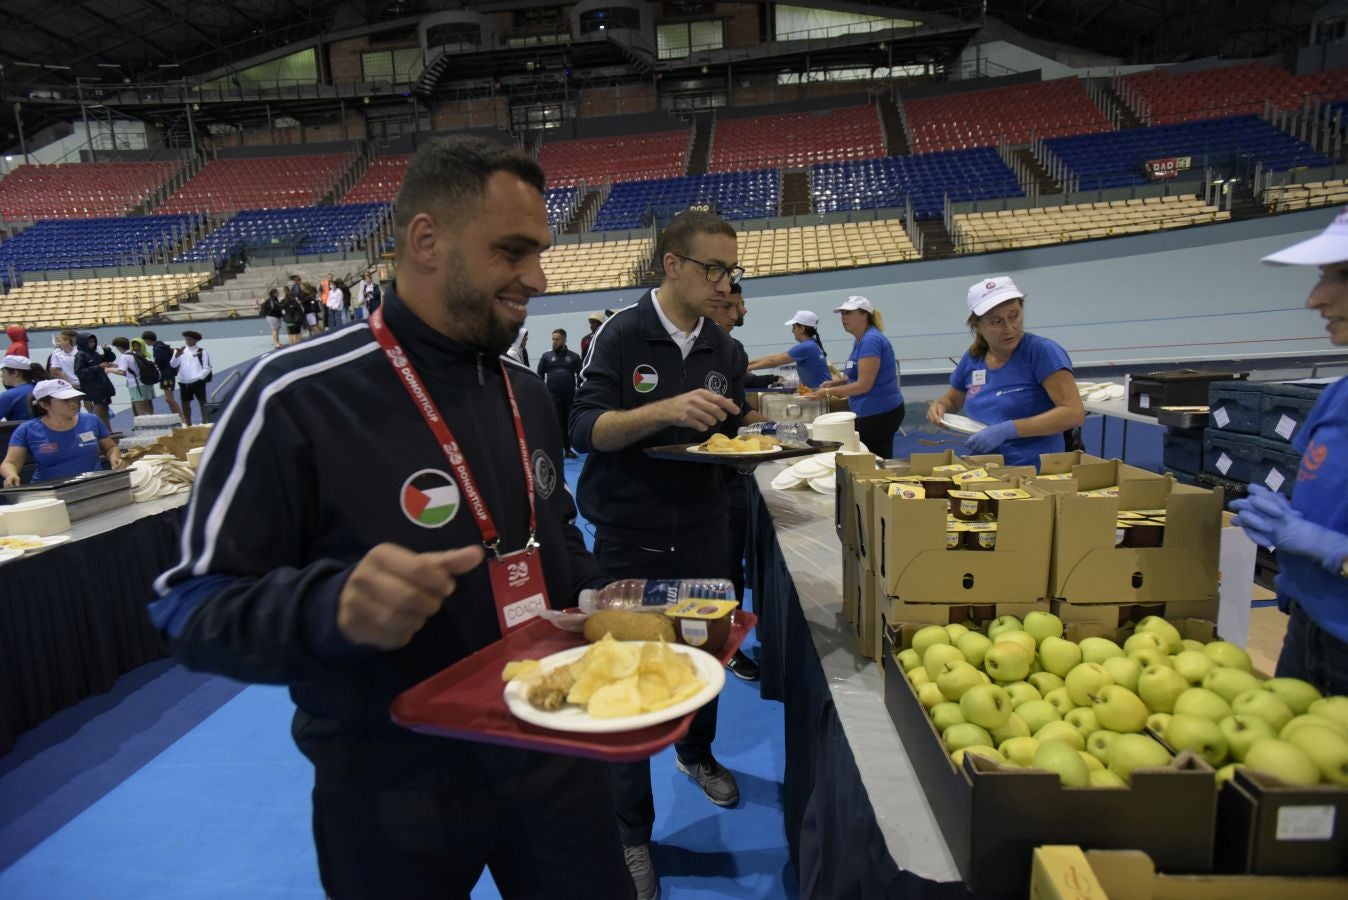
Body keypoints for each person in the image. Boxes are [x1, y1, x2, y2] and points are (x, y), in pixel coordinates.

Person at [146, 136, 632, 900]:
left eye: (539, 251)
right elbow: (188, 606)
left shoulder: (526, 391)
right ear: (427, 240)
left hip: (553, 756)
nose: (537, 277)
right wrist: (331, 607)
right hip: (391, 788)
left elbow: (553, 535)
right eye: (513, 251)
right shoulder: (293, 397)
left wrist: (598, 591)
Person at [571, 210, 748, 900]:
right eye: (712, 268)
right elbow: (585, 430)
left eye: (731, 271)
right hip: (630, 538)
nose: (723, 283)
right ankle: (630, 834)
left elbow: (731, 434)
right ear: (671, 265)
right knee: (627, 685)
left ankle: (697, 755)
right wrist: (663, 412)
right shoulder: (619, 336)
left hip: (705, 531)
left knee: (704, 665)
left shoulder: (725, 349)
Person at [1230, 211, 1348, 695]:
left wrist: (1324, 547)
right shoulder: (1337, 397)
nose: (1314, 298)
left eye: (1340, 276)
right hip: (1308, 626)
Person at [926, 276, 1083, 467]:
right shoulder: (974, 358)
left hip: (1036, 470)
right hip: (985, 466)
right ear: (977, 326)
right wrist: (939, 406)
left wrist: (1009, 429)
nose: (1009, 328)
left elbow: (1073, 413)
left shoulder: (1042, 352)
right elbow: (952, 400)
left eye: (1014, 316)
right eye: (996, 322)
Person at [705, 284, 765, 684]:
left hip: (731, 477)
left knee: (729, 567)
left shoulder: (732, 352)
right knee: (710, 568)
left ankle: (727, 643)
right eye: (734, 304)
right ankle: (715, 643)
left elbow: (738, 410)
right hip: (698, 480)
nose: (740, 309)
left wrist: (764, 424)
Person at [808, 296, 905, 457]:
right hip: (870, 411)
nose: (843, 318)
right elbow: (858, 374)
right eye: (842, 314)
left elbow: (863, 385)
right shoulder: (861, 340)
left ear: (864, 315)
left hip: (878, 413)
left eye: (848, 313)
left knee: (874, 459)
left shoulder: (871, 341)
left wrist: (827, 393)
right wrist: (835, 383)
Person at [2, 379, 123, 486]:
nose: (73, 403)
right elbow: (10, 462)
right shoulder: (27, 430)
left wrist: (115, 458)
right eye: (65, 400)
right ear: (44, 404)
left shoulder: (92, 420)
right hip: (50, 491)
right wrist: (11, 474)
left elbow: (110, 447)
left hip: (93, 484)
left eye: (74, 398)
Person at [746, 310, 831, 389]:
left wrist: (747, 367)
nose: (792, 331)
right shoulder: (812, 344)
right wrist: (746, 364)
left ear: (802, 329)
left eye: (794, 327)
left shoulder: (806, 347)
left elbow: (773, 361)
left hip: (820, 393)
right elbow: (773, 357)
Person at [537, 328, 582, 458]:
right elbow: (539, 375)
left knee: (568, 424)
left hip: (569, 397)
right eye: (553, 339)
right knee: (556, 424)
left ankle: (568, 449)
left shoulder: (574, 357)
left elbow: (580, 376)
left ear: (564, 340)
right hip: (553, 397)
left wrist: (580, 394)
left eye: (557, 339)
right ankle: (554, 450)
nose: (555, 341)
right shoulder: (546, 357)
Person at [73, 331, 117, 430]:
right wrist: (98, 367)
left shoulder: (93, 353)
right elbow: (79, 372)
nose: (92, 344)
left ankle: (107, 430)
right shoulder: (80, 355)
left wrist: (107, 351)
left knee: (104, 408)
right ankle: (100, 431)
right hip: (93, 387)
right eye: (90, 342)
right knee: (100, 409)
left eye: (93, 341)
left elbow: (108, 359)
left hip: (102, 386)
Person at [173, 330, 212, 426]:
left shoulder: (201, 352)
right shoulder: (180, 350)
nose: (188, 341)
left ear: (195, 340)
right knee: (185, 404)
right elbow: (173, 365)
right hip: (184, 382)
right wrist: (176, 356)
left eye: (190, 339)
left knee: (202, 402)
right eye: (186, 339)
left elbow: (207, 367)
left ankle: (205, 422)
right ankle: (188, 423)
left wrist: (198, 377)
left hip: (197, 381)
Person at [143, 331, 183, 419]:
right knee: (168, 399)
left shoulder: (158, 348)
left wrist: (149, 364)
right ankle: (177, 418)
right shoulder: (161, 346)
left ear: (147, 340)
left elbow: (158, 363)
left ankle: (182, 419)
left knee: (169, 399)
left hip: (166, 375)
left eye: (145, 341)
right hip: (167, 374)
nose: (145, 343)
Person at [112, 336, 155, 416]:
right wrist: (115, 366)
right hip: (144, 382)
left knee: (139, 407)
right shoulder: (135, 353)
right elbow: (133, 367)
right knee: (147, 406)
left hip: (135, 385)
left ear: (119, 347)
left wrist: (109, 370)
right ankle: (153, 423)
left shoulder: (124, 356)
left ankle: (142, 425)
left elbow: (122, 372)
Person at [0, 355, 46, 421]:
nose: (2, 375)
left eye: (3, 372)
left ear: (15, 373)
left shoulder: (9, 395)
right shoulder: (41, 388)